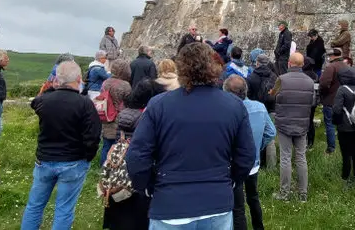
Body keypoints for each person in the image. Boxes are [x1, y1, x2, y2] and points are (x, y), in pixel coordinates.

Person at [126, 42, 256, 229]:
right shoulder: (234, 106)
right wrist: (229, 181)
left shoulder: (159, 105)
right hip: (216, 200)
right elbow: (246, 155)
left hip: (170, 201)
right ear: (213, 66)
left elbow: (137, 156)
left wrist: (149, 186)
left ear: (181, 68)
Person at [20, 60, 100, 230]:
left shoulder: (45, 101)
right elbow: (92, 135)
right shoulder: (85, 104)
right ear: (79, 78)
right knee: (64, 209)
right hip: (73, 161)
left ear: (57, 79)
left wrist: (52, 86)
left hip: (45, 159)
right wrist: (88, 157)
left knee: (34, 205)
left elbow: (35, 102)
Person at [102, 79, 161, 230]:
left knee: (120, 205)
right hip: (138, 164)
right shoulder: (147, 115)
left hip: (120, 164)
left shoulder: (125, 112)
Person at [224, 75, 276, 230]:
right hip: (253, 162)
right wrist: (257, 147)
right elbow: (271, 132)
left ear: (226, 92)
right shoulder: (259, 107)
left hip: (233, 165)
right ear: (245, 90)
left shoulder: (227, 111)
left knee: (237, 206)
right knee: (253, 198)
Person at [269, 52, 315, 202]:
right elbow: (313, 101)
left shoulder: (281, 79)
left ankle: (284, 193)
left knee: (286, 158)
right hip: (302, 123)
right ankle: (303, 194)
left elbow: (272, 94)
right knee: (301, 158)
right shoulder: (309, 81)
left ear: (289, 63)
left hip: (284, 123)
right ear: (302, 65)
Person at [331, 66, 355, 185]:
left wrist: (335, 122)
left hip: (345, 126)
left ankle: (345, 178)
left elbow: (336, 109)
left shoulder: (342, 89)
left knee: (346, 153)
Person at [99, 59, 132, 167]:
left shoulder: (105, 82)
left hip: (106, 116)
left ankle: (102, 167)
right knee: (117, 145)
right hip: (119, 117)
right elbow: (129, 102)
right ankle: (114, 168)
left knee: (106, 145)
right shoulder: (125, 85)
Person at [318, 48, 350, 154]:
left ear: (332, 56)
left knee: (330, 124)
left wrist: (323, 93)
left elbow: (323, 84)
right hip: (344, 101)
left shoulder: (331, 67)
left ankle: (331, 148)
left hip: (331, 100)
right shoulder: (347, 67)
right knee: (343, 124)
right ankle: (344, 147)